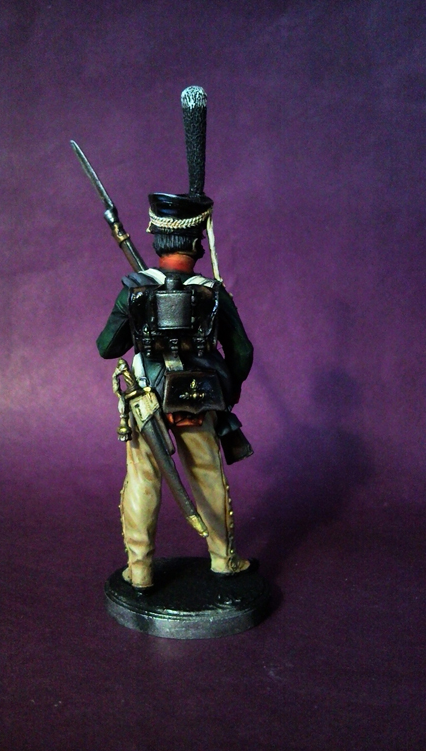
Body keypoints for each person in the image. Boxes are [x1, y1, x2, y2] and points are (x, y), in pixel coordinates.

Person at [96, 188, 254, 589]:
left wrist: (135, 316)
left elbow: (107, 347)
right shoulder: (213, 293)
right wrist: (227, 394)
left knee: (143, 481)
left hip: (147, 400)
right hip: (198, 399)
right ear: (197, 243)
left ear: (156, 238)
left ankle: (140, 571)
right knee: (207, 477)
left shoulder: (134, 289)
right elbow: (242, 352)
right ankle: (223, 560)